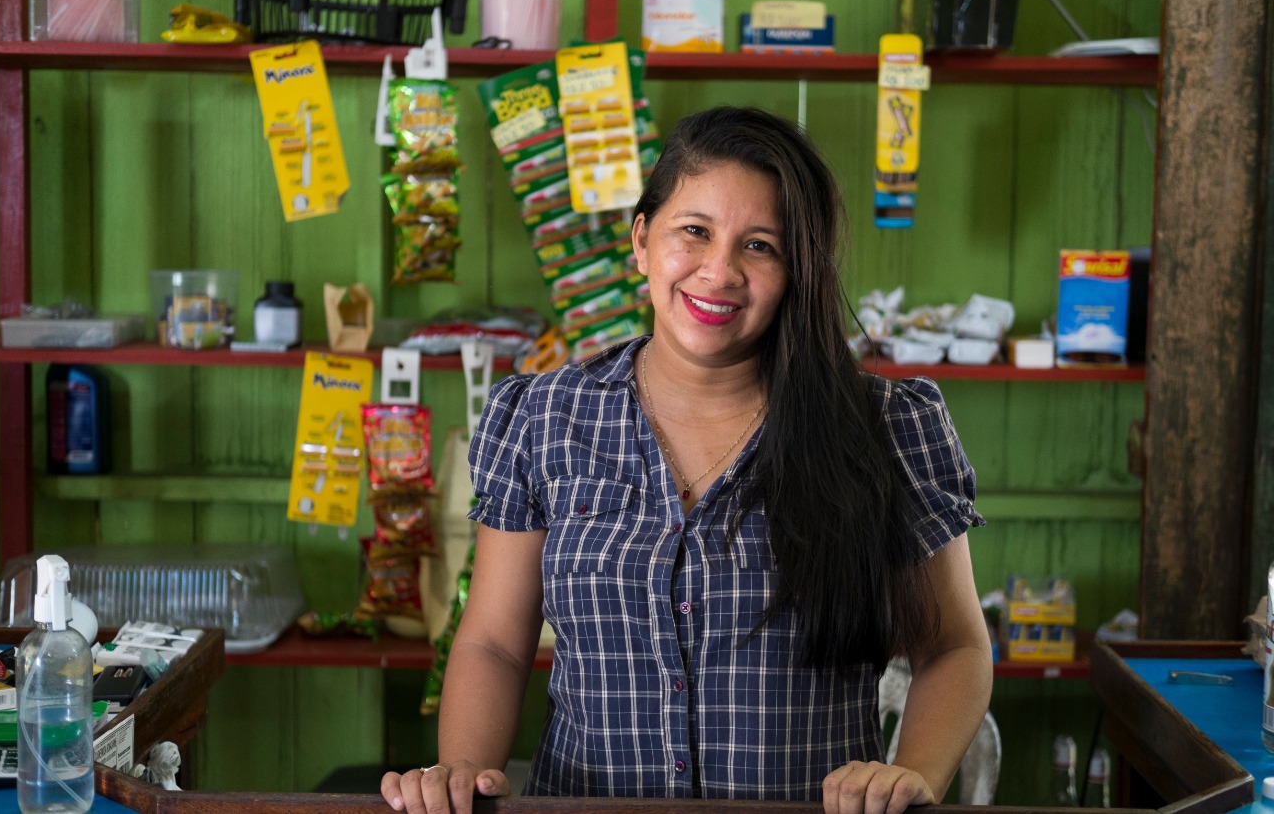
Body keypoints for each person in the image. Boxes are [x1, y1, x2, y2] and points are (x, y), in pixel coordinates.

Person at [382, 105, 992, 814]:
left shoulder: (886, 426)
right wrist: (462, 772)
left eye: (760, 245)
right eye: (694, 231)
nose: (720, 270)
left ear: (797, 269)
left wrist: (912, 770)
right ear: (643, 239)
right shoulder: (543, 419)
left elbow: (953, 645)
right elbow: (493, 642)